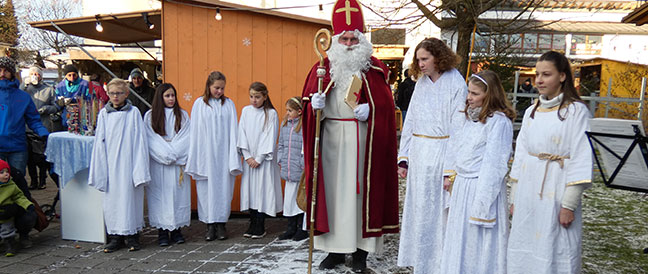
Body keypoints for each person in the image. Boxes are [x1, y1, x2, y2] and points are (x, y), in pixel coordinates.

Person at [301, 0, 399, 271]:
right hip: (330, 139)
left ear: (361, 37)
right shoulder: (321, 67)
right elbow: (306, 102)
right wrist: (313, 106)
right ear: (335, 38)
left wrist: (372, 110)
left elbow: (386, 109)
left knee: (358, 198)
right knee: (332, 196)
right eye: (343, 38)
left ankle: (359, 254)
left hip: (361, 141)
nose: (348, 43)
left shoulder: (374, 69)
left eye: (353, 38)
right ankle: (333, 251)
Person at [507, 51, 592, 274]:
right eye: (537, 75)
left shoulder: (576, 111)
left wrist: (568, 205)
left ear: (562, 76)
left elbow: (581, 157)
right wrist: (515, 197)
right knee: (525, 245)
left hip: (557, 188)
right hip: (528, 188)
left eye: (546, 74)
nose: (539, 80)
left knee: (556, 246)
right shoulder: (531, 112)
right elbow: (522, 154)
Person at [396, 37, 467, 274]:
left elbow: (459, 126)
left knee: (439, 213)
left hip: (441, 153)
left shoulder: (456, 83)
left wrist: (450, 169)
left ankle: (439, 263)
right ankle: (421, 260)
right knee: (419, 210)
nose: (421, 64)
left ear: (439, 57)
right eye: (418, 59)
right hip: (419, 153)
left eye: (425, 58)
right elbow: (411, 120)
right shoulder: (422, 83)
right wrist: (404, 156)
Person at [439, 70, 515, 274]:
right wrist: (451, 176)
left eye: (474, 93)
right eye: (468, 92)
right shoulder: (469, 118)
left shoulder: (498, 122)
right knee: (459, 240)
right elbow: (457, 147)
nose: (468, 97)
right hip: (463, 186)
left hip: (479, 188)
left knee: (478, 242)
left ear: (489, 95)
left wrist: (482, 205)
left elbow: (495, 164)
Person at [88, 78, 150, 253]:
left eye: (119, 93)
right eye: (113, 93)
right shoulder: (104, 114)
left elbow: (140, 140)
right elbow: (100, 141)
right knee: (112, 201)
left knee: (130, 200)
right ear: (108, 94)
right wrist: (100, 166)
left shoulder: (134, 113)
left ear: (126, 94)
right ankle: (115, 236)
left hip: (129, 163)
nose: (116, 96)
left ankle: (132, 236)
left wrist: (139, 167)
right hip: (110, 163)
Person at [185, 71, 241, 241]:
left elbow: (233, 129)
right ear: (208, 86)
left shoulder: (229, 104)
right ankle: (209, 225)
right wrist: (197, 156)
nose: (219, 91)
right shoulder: (199, 104)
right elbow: (195, 131)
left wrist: (233, 154)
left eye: (222, 88)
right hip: (206, 154)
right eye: (216, 88)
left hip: (223, 154)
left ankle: (221, 224)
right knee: (206, 190)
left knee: (223, 189)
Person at [143, 83, 191, 247]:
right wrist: (165, 154)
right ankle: (162, 232)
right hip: (159, 163)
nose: (171, 99)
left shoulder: (183, 115)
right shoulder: (150, 116)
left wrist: (174, 154)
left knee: (177, 197)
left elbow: (187, 138)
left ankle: (177, 230)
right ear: (160, 97)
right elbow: (150, 139)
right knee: (160, 197)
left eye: (173, 95)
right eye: (167, 96)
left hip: (177, 164)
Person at [237, 82, 282, 239]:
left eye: (257, 97)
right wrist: (247, 155)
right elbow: (241, 132)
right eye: (251, 96)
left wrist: (259, 158)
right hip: (250, 159)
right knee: (250, 191)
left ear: (265, 96)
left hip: (263, 161)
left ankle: (260, 225)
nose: (253, 100)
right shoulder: (246, 111)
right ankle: (252, 221)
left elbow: (269, 136)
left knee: (262, 191)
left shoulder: (270, 113)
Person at [0, 56, 50, 176]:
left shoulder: (23, 97)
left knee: (18, 181)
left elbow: (33, 120)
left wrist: (43, 133)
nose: (2, 74)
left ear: (12, 73)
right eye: (0, 70)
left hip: (17, 147)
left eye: (6, 70)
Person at [277, 96, 308, 241]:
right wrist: (280, 158)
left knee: (299, 199)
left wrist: (302, 163)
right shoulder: (285, 125)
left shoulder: (303, 127)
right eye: (287, 110)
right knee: (289, 199)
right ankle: (290, 227)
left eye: (290, 110)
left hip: (298, 169)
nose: (288, 113)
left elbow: (304, 147)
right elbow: (281, 144)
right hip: (288, 169)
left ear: (300, 112)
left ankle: (302, 228)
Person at [22, 66, 58, 190]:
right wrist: (24, 85)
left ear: (41, 76)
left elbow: (55, 107)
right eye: (32, 74)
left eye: (36, 74)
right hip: (26, 127)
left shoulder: (48, 89)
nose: (34, 76)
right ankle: (33, 181)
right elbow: (17, 98)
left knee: (41, 157)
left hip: (43, 126)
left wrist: (45, 110)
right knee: (29, 158)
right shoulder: (25, 89)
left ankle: (43, 180)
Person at [0, 160, 34, 257]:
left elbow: (20, 197)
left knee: (7, 230)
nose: (6, 175)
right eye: (1, 173)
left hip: (7, 212)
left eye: (7, 172)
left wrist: (27, 205)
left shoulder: (11, 186)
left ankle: (10, 244)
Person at [54, 64, 90, 129]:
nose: (72, 77)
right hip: (66, 119)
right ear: (65, 76)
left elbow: (90, 99)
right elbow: (56, 102)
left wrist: (77, 100)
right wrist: (60, 103)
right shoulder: (60, 86)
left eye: (74, 75)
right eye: (69, 75)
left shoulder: (85, 84)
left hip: (82, 118)